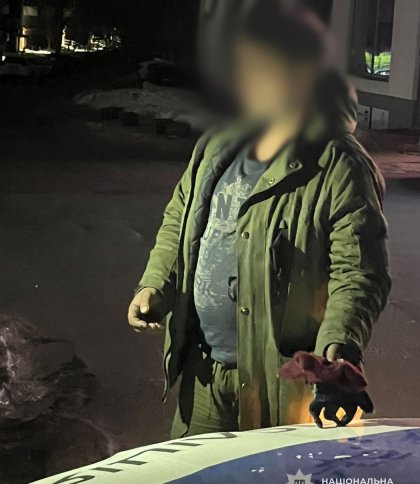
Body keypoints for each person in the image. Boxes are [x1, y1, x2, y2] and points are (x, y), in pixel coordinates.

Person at [127, 2, 391, 437]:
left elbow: (359, 272)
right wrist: (156, 284)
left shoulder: (338, 164)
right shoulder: (217, 145)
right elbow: (180, 221)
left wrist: (337, 351)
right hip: (203, 375)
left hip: (282, 383)